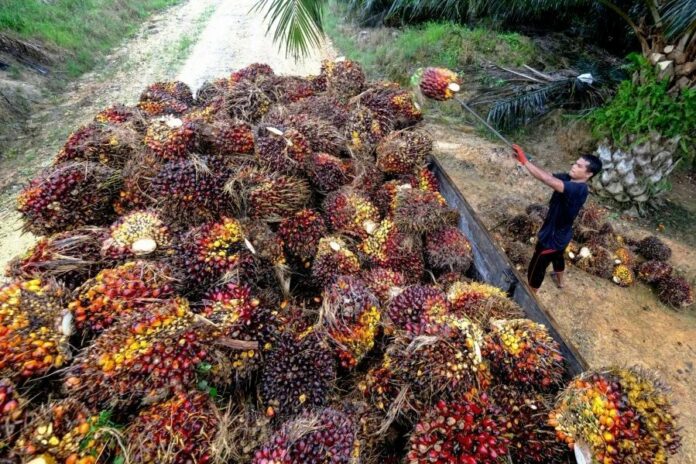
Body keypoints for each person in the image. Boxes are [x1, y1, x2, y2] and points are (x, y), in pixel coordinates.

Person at [511, 144, 602, 292]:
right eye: (575, 163)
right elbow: (547, 174)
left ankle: (531, 297)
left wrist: (525, 162)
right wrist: (528, 161)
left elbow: (547, 180)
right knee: (558, 258)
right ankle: (561, 283)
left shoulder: (578, 189)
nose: (574, 167)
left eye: (579, 166)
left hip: (551, 240)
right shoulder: (569, 178)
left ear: (588, 174)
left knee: (535, 271)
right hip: (563, 235)